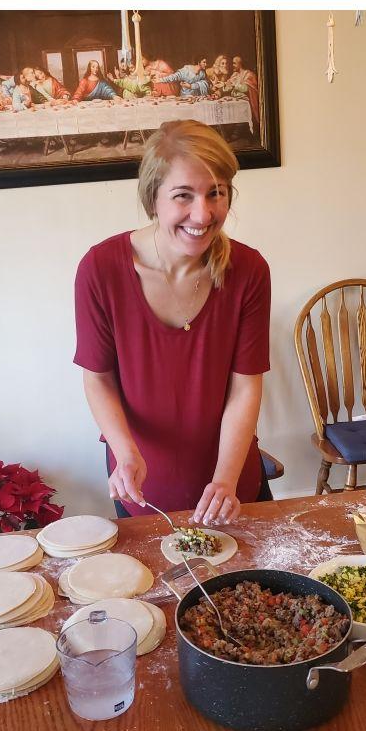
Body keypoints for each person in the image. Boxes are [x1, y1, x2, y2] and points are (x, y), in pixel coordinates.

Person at [74, 120, 272, 526]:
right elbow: (98, 378)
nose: (203, 213)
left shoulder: (249, 269)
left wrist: (225, 480)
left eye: (216, 193)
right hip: (144, 487)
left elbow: (245, 386)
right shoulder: (101, 269)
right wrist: (125, 452)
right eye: (184, 195)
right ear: (153, 198)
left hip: (231, 483)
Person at [225, 55, 260, 125]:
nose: (232, 65)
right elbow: (228, 87)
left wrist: (234, 84)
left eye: (234, 63)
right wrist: (224, 85)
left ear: (240, 64)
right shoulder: (235, 74)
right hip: (236, 103)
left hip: (247, 104)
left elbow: (246, 89)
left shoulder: (249, 74)